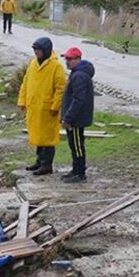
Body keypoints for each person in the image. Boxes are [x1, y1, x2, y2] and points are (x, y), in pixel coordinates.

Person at [18, 37, 66, 176]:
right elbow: (25, 83)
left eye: (39, 50)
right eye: (35, 50)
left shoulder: (56, 67)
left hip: (47, 109)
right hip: (34, 107)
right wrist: (22, 100)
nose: (37, 53)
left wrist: (55, 106)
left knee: (48, 138)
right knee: (38, 136)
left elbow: (60, 89)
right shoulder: (32, 64)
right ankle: (39, 161)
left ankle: (46, 165)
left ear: (46, 50)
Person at [60, 46, 95, 183]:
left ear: (78, 59)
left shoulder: (79, 76)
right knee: (74, 145)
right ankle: (75, 170)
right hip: (76, 118)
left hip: (76, 119)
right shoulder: (77, 73)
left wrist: (68, 118)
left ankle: (80, 173)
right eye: (66, 59)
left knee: (77, 146)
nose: (67, 61)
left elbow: (78, 100)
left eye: (70, 59)